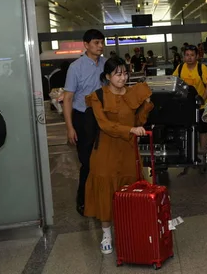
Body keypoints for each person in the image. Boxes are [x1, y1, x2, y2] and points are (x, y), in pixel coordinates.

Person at [84, 57, 154, 254]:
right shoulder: (98, 96)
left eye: (125, 73)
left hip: (128, 152)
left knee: (129, 193)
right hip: (105, 152)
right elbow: (104, 125)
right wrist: (130, 129)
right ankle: (106, 234)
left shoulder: (134, 93)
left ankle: (127, 232)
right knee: (106, 192)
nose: (123, 78)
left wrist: (146, 106)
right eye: (118, 74)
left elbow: (139, 120)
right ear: (107, 76)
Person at [63, 29, 107, 216]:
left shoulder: (106, 64)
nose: (100, 46)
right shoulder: (76, 67)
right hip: (84, 118)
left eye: (101, 42)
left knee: (105, 160)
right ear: (86, 45)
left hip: (104, 117)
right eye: (96, 43)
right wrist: (70, 127)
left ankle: (103, 198)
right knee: (88, 163)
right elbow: (68, 98)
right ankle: (83, 200)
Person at [173, 45, 207, 161]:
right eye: (187, 55)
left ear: (197, 56)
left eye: (192, 55)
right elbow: (174, 83)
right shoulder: (180, 68)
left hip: (202, 105)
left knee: (202, 129)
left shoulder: (202, 68)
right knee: (187, 128)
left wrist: (202, 100)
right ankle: (188, 152)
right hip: (185, 106)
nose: (189, 58)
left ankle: (203, 152)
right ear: (184, 56)